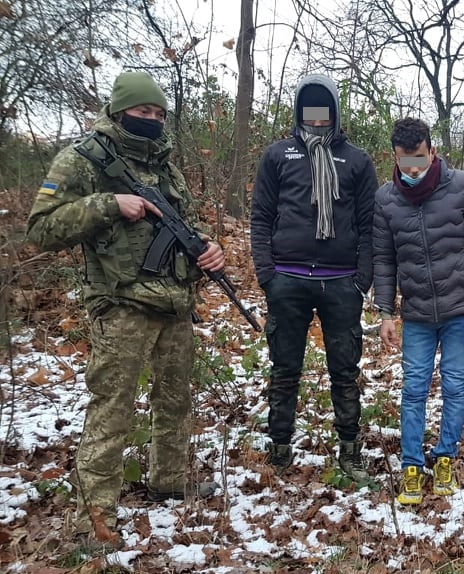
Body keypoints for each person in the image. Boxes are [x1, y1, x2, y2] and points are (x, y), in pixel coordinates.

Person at [26, 71, 224, 544]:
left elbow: (187, 225)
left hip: (174, 300)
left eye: (158, 113)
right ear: (119, 112)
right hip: (120, 303)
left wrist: (208, 250)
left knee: (175, 400)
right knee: (112, 405)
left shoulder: (167, 167)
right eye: (142, 112)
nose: (151, 120)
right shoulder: (82, 160)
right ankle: (95, 513)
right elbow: (40, 229)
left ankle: (170, 479)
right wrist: (109, 204)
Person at [250, 73, 378, 481]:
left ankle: (349, 450)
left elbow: (370, 225)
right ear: (300, 111)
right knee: (285, 367)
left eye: (325, 110)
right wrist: (267, 273)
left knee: (345, 369)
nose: (318, 118)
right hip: (287, 278)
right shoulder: (277, 156)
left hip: (342, 282)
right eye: (311, 109)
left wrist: (362, 278)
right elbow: (261, 217)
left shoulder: (357, 160)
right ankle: (280, 448)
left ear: (336, 112)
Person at [372, 118, 464, 505]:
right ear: (394, 155)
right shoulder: (386, 199)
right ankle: (411, 464)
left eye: (420, 159)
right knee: (413, 389)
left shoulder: (461, 186)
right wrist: (385, 312)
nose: (413, 169)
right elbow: (384, 259)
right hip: (417, 315)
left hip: (462, 309)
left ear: (432, 151)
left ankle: (445, 457)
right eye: (405, 160)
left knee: (456, 385)